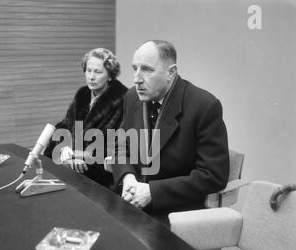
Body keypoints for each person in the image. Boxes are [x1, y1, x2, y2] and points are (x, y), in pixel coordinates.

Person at [112, 40, 229, 224]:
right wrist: (127, 177)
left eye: (147, 70)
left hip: (176, 216)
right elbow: (121, 144)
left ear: (171, 72)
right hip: (131, 202)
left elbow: (214, 176)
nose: (136, 78)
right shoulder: (132, 97)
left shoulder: (204, 106)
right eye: (135, 68)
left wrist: (153, 192)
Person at [45, 48, 127, 187]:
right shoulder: (82, 94)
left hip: (102, 179)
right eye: (88, 70)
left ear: (110, 75)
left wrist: (80, 156)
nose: (91, 76)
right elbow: (64, 126)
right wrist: (64, 149)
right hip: (73, 171)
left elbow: (117, 147)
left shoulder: (123, 99)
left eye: (98, 72)